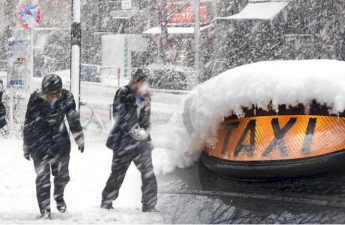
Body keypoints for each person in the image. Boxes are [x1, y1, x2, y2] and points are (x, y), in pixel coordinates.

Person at [23, 74, 85, 219]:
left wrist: (79, 138)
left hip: (60, 142)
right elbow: (28, 123)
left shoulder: (67, 97)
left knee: (62, 175)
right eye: (49, 93)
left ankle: (59, 195)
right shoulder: (35, 98)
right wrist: (27, 145)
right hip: (39, 143)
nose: (52, 96)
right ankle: (45, 210)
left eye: (55, 93)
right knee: (42, 178)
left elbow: (73, 119)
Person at [101, 69, 158, 212]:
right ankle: (106, 202)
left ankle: (149, 205)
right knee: (118, 173)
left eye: (149, 84)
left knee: (148, 173)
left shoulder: (146, 97)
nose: (147, 87)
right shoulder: (123, 92)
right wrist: (133, 130)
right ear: (136, 81)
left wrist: (147, 137)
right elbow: (119, 115)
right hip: (123, 141)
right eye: (144, 83)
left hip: (141, 143)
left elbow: (145, 120)